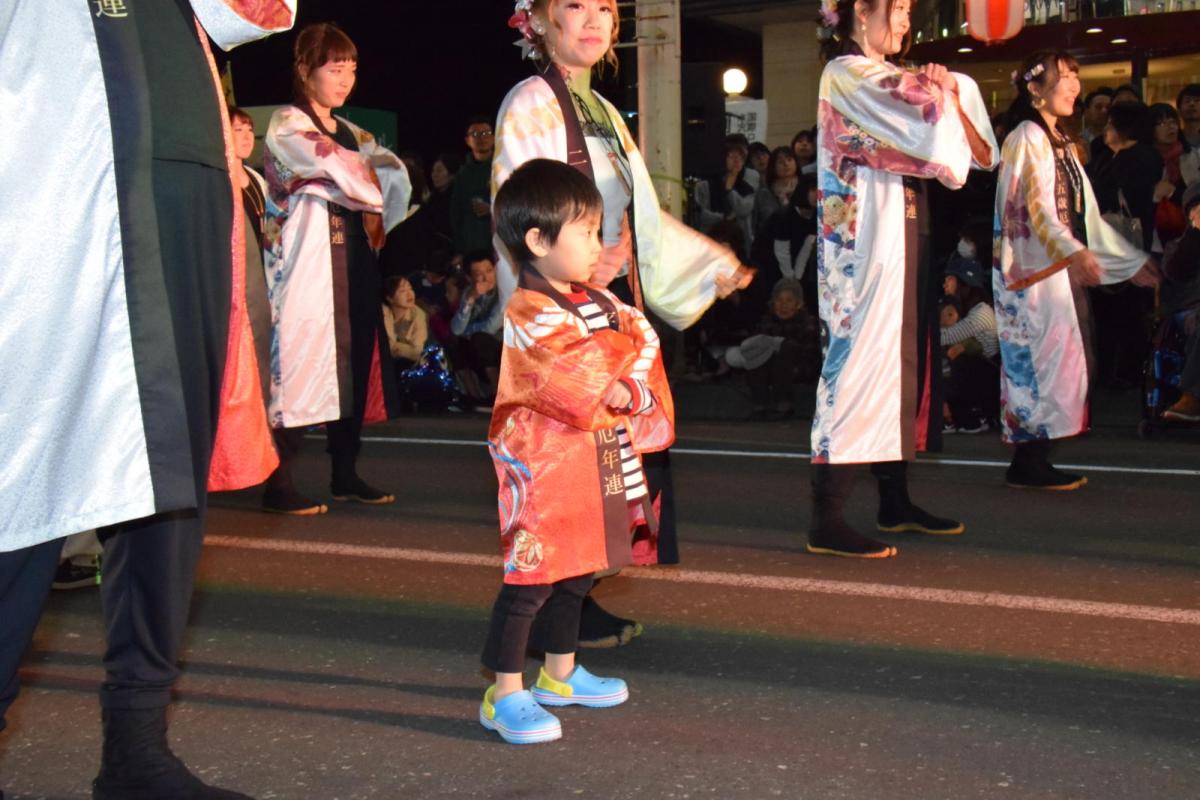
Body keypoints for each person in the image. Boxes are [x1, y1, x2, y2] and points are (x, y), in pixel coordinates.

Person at [1, 3, 293, 798]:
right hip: (53, 174)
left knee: (166, 486)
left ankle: (136, 747)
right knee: (28, 459)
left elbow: (252, 13)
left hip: (188, 174)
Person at [496, 0, 751, 645]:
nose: (593, 19)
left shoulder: (604, 112)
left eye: (605, 7)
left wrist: (705, 261)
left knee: (609, 468)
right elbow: (523, 216)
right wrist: (572, 278)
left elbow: (639, 216)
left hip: (605, 305)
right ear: (541, 21)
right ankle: (549, 620)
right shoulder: (532, 102)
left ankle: (571, 603)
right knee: (569, 474)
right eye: (574, 5)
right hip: (565, 317)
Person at [479, 159, 672, 744]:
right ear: (537, 241)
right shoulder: (529, 311)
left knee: (579, 571)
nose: (597, 244)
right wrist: (623, 367)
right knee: (532, 579)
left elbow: (641, 335)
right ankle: (503, 690)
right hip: (544, 470)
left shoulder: (593, 301)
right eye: (585, 231)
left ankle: (559, 673)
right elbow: (585, 371)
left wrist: (624, 368)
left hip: (596, 459)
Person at [807, 0, 998, 558]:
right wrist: (941, 87)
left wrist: (942, 88)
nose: (905, 20)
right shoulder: (843, 73)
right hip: (864, 246)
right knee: (859, 365)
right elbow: (918, 109)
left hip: (900, 229)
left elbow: (945, 127)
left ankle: (894, 499)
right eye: (898, 8)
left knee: (901, 364)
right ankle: (828, 516)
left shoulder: (877, 72)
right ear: (858, 13)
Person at [994, 51, 1158, 490]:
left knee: (1063, 359)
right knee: (1038, 362)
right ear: (1034, 88)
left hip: (1053, 266)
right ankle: (1029, 459)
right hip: (1033, 271)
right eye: (1063, 76)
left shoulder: (1059, 140)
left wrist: (1126, 263)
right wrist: (1074, 253)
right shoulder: (1028, 136)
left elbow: (1085, 214)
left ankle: (1034, 457)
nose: (1073, 86)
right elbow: (1037, 211)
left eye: (1075, 76)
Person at [263, 23, 412, 508]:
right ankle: (278, 481)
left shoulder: (349, 131)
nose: (345, 78)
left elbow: (389, 174)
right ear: (306, 71)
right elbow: (348, 169)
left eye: (351, 68)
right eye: (335, 68)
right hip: (310, 262)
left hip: (353, 253)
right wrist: (353, 174)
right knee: (305, 357)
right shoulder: (288, 122)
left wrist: (352, 175)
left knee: (354, 356)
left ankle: (344, 470)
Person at [737, 278, 821, 420]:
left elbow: (809, 352)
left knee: (782, 356)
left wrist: (783, 345)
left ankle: (784, 405)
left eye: (789, 301)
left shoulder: (808, 323)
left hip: (800, 366)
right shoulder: (767, 321)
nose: (784, 305)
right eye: (779, 301)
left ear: (798, 304)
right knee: (757, 360)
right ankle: (759, 405)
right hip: (770, 365)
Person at [940, 240, 999, 434]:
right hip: (986, 375)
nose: (945, 284)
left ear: (962, 282)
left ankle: (977, 416)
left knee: (960, 362)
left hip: (991, 377)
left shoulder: (980, 312)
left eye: (949, 279)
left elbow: (947, 335)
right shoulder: (970, 309)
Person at [1162, 182, 1200, 422]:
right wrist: (1196, 234)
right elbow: (1176, 273)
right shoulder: (1179, 245)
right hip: (1192, 309)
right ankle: (1193, 396)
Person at [450, 252, 504, 406]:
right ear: (469, 278)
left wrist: (468, 331)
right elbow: (456, 329)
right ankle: (473, 395)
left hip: (500, 343)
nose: (486, 278)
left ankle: (497, 393)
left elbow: (491, 327)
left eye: (489, 271)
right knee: (454, 341)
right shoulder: (469, 292)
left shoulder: (503, 291)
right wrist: (470, 300)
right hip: (476, 342)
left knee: (480, 339)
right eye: (479, 274)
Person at [450, 115, 496, 259]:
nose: (481, 138)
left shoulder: (502, 169)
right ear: (467, 141)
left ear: (494, 137)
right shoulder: (462, 174)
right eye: (475, 134)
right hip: (471, 246)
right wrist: (459, 249)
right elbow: (455, 214)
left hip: (499, 244)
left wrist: (492, 209)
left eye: (486, 133)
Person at [383, 275, 429, 370]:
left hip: (406, 365)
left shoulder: (418, 315)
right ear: (390, 298)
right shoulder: (384, 312)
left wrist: (394, 346)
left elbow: (416, 352)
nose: (409, 294)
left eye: (410, 288)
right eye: (402, 291)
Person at [753, 146, 801, 238]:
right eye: (780, 162)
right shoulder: (764, 193)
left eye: (789, 159)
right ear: (773, 166)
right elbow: (758, 223)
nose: (786, 164)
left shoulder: (805, 188)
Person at [1179, 84, 1200, 150]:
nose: (1192, 104)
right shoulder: (1174, 139)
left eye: (1197, 100)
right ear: (1179, 110)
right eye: (1187, 101)